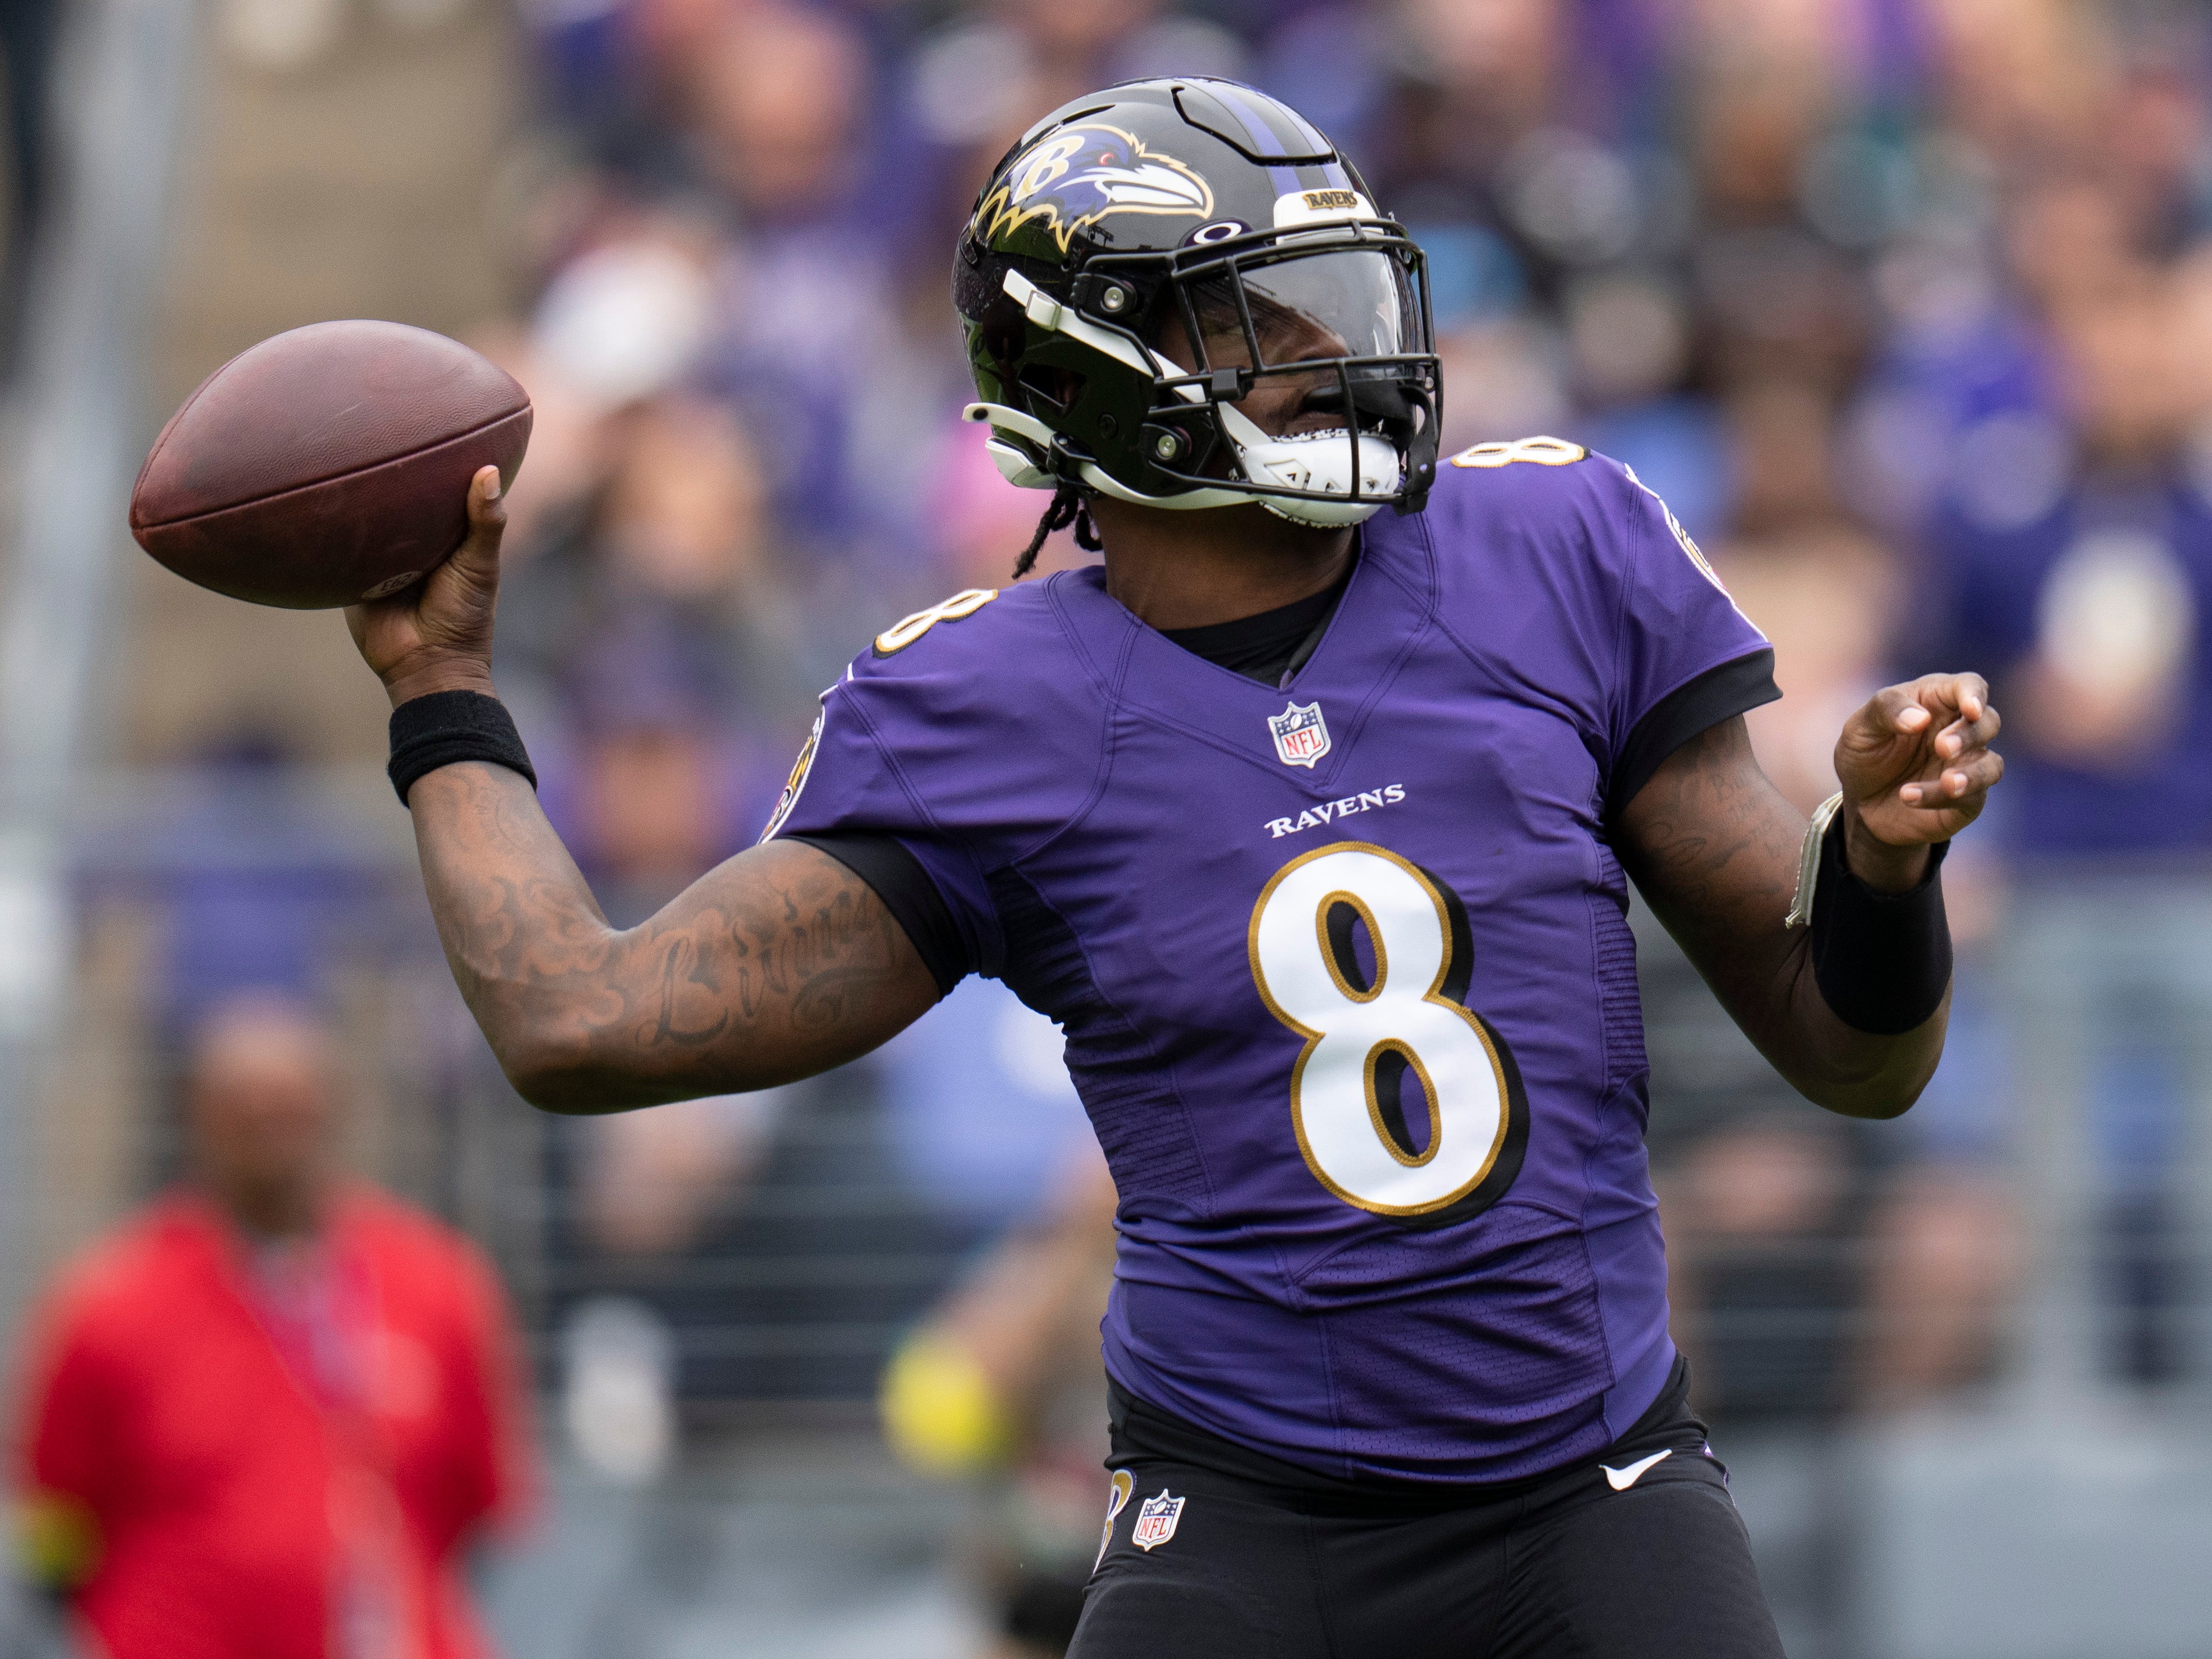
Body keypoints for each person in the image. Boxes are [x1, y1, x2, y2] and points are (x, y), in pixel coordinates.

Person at [347, 79, 1999, 1658]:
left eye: (1332, 299)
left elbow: (1854, 1057)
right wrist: (443, 692)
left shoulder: (1555, 549)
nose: (1330, 351)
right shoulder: (979, 707)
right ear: (1087, 374)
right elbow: (576, 1019)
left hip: (1596, 1488)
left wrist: (1871, 865)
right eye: (1253, 320)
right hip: (1244, 1520)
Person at [10, 994, 533, 1659]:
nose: (268, 1138)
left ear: (333, 1111)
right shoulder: (112, 1304)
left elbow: (476, 1509)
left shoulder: (437, 1286)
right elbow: (53, 1522)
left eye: (289, 1109)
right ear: (196, 1119)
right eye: (242, 1112)